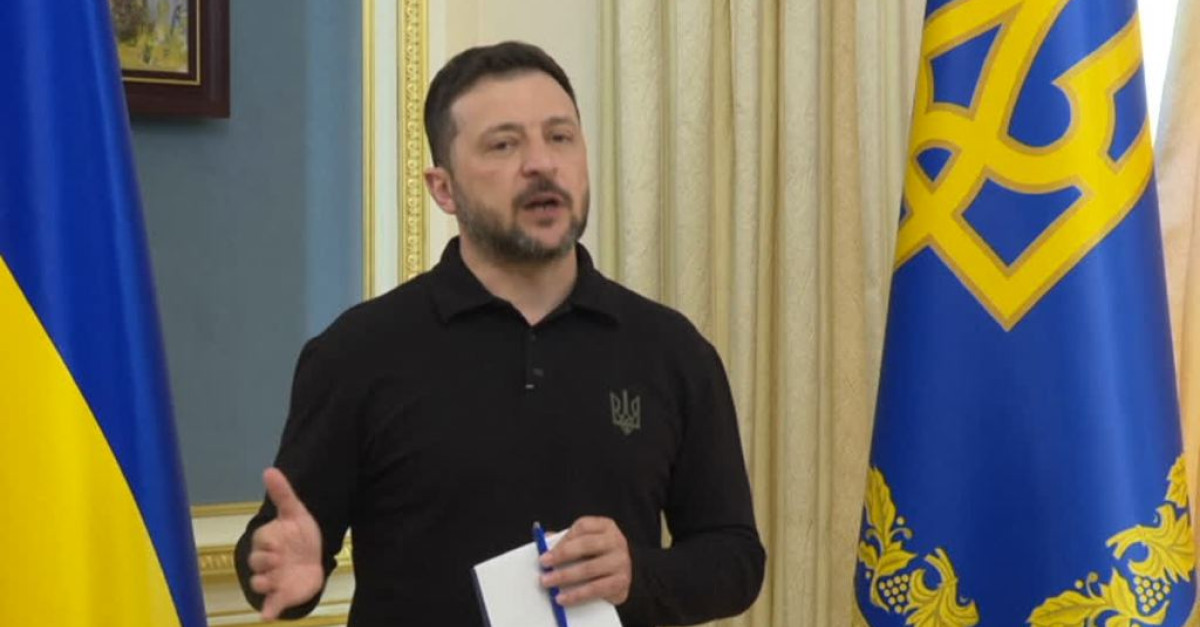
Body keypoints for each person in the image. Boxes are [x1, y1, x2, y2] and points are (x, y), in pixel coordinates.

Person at [235, 40, 765, 627]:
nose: (542, 163)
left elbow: (735, 558)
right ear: (444, 188)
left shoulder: (671, 349)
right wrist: (277, 567)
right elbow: (283, 554)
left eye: (560, 137)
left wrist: (638, 575)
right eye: (504, 144)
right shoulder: (357, 352)